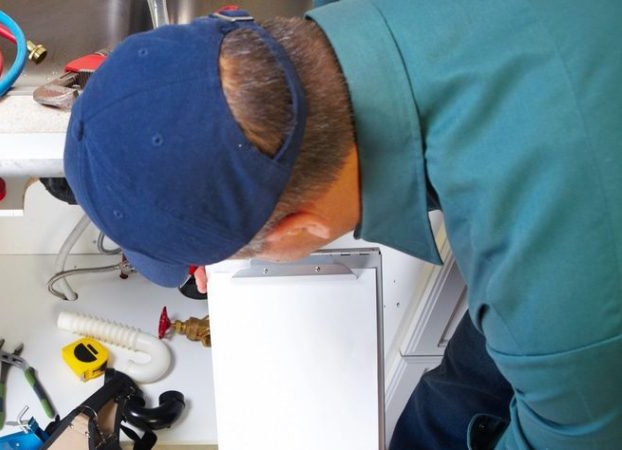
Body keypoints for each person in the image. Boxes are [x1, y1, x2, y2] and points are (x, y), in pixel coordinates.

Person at [62, 1, 621, 449]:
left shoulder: (556, 309)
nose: (205, 276)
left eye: (219, 259)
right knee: (449, 409)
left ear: (296, 232)